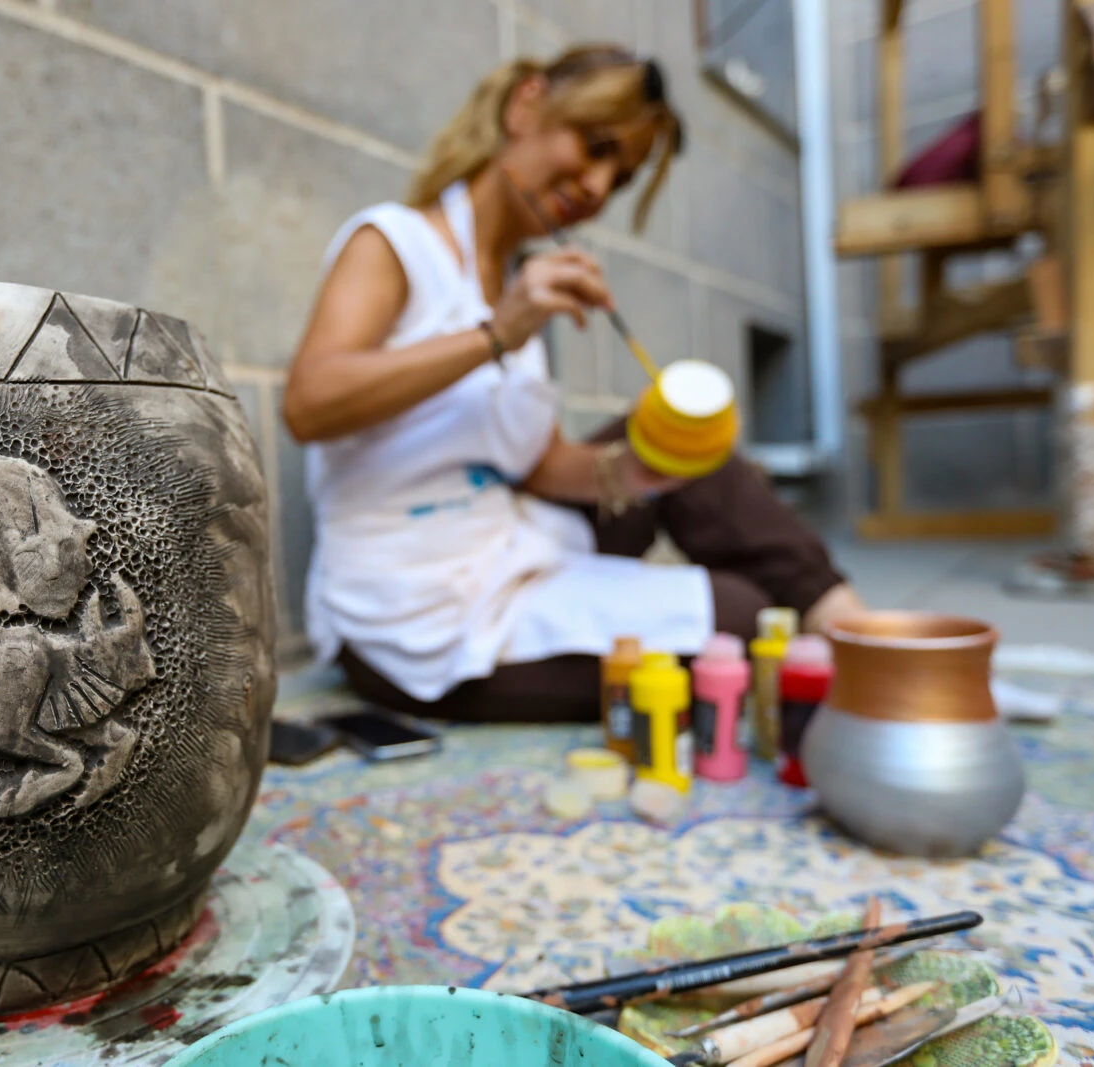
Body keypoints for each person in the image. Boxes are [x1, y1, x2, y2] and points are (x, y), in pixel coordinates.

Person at [281, 44, 867, 723]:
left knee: (683, 443)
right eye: (594, 147)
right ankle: (847, 642)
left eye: (617, 177)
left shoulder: (513, 280)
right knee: (737, 618)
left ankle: (850, 621)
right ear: (526, 104)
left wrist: (648, 465)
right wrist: (494, 334)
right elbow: (308, 403)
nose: (596, 186)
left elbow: (538, 466)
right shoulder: (395, 243)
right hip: (408, 609)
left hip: (503, 538)